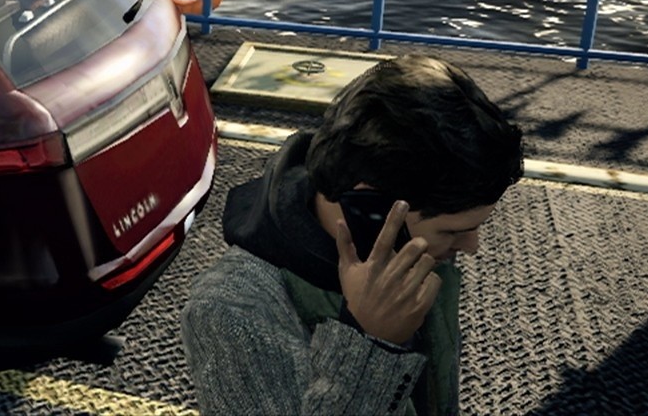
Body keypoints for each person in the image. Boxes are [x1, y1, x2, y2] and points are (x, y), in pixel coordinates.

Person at [181, 54, 524, 415]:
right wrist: (372, 344)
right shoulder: (230, 311)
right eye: (452, 231)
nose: (472, 246)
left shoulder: (407, 255)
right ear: (373, 207)